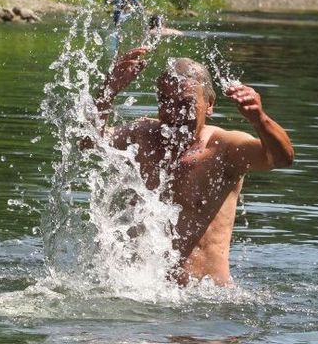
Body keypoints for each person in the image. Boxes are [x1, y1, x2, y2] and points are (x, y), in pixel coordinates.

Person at [86, 47, 294, 286]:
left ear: (210, 104)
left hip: (205, 302)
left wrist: (260, 119)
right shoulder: (143, 136)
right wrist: (108, 92)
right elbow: (89, 141)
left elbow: (281, 159)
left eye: (185, 103)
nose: (173, 113)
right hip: (142, 292)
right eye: (165, 102)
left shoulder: (224, 149)